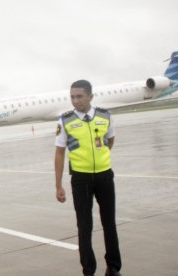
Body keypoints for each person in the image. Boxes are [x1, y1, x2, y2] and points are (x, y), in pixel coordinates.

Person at [54, 80, 122, 276]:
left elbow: (110, 141)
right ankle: (88, 270)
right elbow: (59, 153)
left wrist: (100, 160)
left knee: (109, 223)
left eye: (79, 96)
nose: (75, 101)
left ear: (90, 97)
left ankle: (114, 267)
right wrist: (58, 185)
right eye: (72, 97)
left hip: (104, 177)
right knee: (84, 226)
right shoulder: (65, 121)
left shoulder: (105, 116)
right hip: (81, 179)